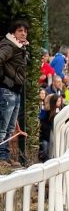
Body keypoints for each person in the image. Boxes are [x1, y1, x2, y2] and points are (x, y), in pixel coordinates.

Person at [0, 19, 29, 165]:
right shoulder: (9, 46)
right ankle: (1, 157)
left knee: (10, 127)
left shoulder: (21, 47)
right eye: (20, 31)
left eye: (25, 31)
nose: (23, 33)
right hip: (7, 90)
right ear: (13, 33)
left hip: (16, 91)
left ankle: (5, 156)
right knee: (3, 126)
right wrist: (4, 79)